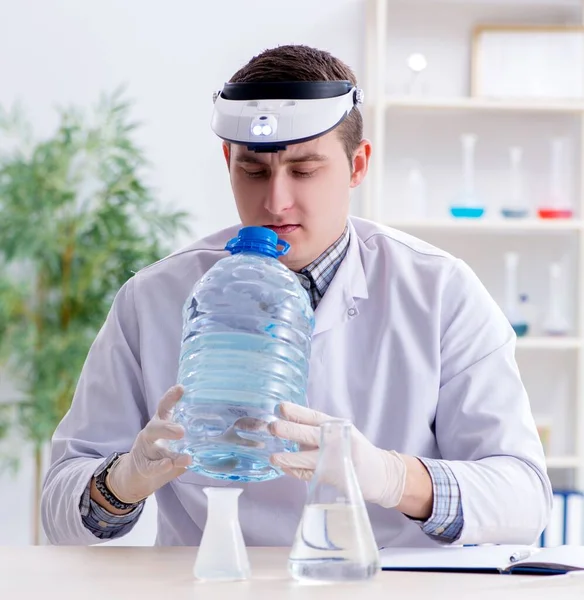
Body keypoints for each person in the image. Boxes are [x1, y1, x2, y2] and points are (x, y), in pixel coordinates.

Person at [41, 44, 552, 547]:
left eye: (305, 170)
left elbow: (524, 501)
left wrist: (393, 478)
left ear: (357, 166)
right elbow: (58, 511)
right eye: (254, 170)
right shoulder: (153, 299)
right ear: (227, 161)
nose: (275, 200)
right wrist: (120, 482)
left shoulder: (441, 291)